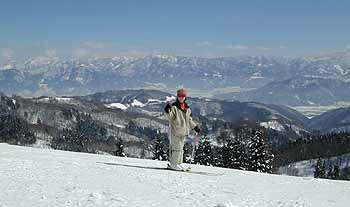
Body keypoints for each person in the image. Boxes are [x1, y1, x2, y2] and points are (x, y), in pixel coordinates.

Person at [164, 88, 200, 171]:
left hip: (183, 132)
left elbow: (189, 120)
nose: (181, 97)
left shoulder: (187, 108)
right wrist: (167, 111)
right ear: (177, 97)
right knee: (176, 148)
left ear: (185, 97)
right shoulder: (174, 107)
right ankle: (174, 164)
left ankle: (178, 164)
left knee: (181, 149)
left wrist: (195, 127)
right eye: (179, 96)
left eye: (183, 96)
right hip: (175, 131)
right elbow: (170, 117)